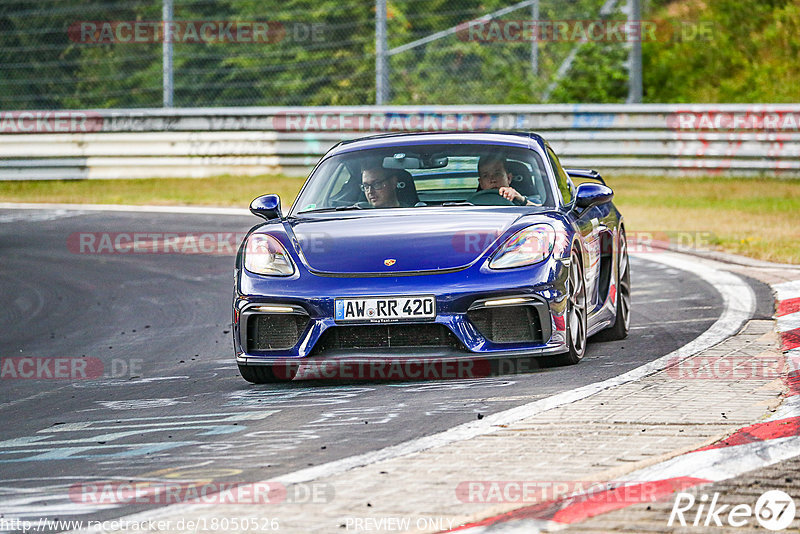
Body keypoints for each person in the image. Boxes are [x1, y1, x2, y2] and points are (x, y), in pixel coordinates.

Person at [472, 154, 536, 206]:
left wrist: (522, 200)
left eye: (497, 174)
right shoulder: (470, 204)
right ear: (481, 183)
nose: (492, 180)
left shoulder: (527, 200)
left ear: (509, 178)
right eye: (485, 176)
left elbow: (540, 211)